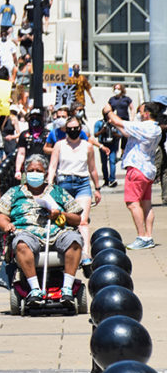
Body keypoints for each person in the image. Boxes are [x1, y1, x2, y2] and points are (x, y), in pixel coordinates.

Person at [0, 154, 84, 310]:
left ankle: (67, 288)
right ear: (25, 172)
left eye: (38, 170)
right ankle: (35, 289)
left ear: (45, 173)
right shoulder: (14, 192)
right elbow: (2, 216)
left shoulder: (57, 191)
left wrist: (61, 214)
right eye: (31, 170)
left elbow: (77, 218)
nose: (34, 173)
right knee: (21, 244)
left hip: (56, 232)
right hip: (27, 232)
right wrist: (6, 225)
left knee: (74, 239)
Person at [101, 100, 165, 250]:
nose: (139, 113)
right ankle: (148, 236)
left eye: (141, 111)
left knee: (132, 203)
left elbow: (119, 121)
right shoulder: (155, 128)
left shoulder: (144, 126)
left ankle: (141, 236)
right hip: (148, 169)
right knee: (146, 204)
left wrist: (108, 111)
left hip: (136, 169)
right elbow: (125, 130)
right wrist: (114, 121)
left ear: (147, 113)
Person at [47, 116, 101, 264]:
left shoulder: (87, 146)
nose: (73, 131)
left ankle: (85, 254)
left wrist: (97, 188)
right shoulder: (59, 145)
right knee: (64, 219)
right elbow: (52, 167)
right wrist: (49, 185)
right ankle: (66, 250)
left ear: (80, 129)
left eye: (76, 128)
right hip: (64, 183)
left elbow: (92, 169)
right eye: (70, 129)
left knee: (82, 221)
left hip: (82, 183)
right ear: (65, 130)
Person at [93, 114, 120, 188]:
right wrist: (102, 131)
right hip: (103, 145)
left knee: (112, 161)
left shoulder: (115, 123)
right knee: (104, 163)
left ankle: (112, 179)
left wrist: (115, 134)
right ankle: (106, 180)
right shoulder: (99, 123)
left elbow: (120, 135)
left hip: (112, 145)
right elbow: (95, 134)